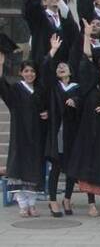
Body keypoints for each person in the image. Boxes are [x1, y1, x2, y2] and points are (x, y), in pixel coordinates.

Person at [65, 23, 100, 218]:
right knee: (88, 168)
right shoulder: (90, 85)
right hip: (89, 133)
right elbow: (87, 57)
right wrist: (87, 36)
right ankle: (91, 204)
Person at [0, 51, 47, 218]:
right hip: (20, 135)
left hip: (36, 136)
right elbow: (3, 88)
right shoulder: (16, 89)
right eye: (26, 71)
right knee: (19, 170)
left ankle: (32, 205)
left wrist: (46, 113)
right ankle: (22, 205)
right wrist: (1, 66)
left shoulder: (39, 90)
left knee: (34, 170)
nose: (29, 74)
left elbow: (45, 108)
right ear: (21, 73)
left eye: (32, 71)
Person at [42, 34, 80, 217]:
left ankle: (67, 198)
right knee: (56, 168)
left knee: (71, 169)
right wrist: (53, 50)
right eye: (58, 67)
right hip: (56, 132)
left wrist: (75, 101)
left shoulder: (76, 88)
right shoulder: (53, 86)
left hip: (72, 133)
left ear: (70, 71)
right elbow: (45, 68)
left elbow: (82, 103)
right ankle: (52, 200)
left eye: (64, 66)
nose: (61, 67)